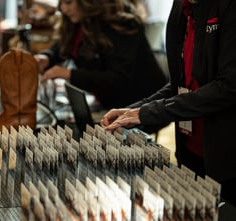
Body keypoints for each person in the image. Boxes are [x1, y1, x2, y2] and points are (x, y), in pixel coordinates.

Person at [101, 0, 236, 206]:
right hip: (190, 148)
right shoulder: (181, 7)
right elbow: (179, 83)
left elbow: (227, 87)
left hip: (226, 157)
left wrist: (150, 112)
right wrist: (136, 110)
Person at [34, 0, 167, 109]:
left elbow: (118, 78)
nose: (63, 8)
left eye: (68, 2)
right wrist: (47, 57)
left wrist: (69, 74)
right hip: (111, 102)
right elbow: (63, 45)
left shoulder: (121, 23)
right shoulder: (78, 20)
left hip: (142, 103)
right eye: (61, 3)